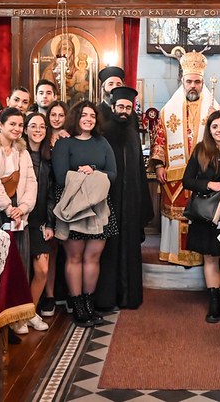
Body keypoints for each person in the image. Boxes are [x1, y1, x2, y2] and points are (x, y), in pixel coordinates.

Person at [0, 107, 41, 332]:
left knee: (19, 263)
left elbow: (31, 182)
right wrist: (8, 207)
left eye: (20, 125)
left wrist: (23, 207)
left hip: (18, 213)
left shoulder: (22, 151)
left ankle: (17, 317)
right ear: (0, 124)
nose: (17, 128)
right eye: (12, 124)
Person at [150, 51, 220, 266]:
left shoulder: (214, 110)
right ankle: (172, 253)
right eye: (189, 82)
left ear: (202, 83)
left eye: (197, 82)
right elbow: (159, 138)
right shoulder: (167, 111)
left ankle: (199, 256)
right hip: (175, 174)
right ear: (182, 81)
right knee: (176, 215)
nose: (193, 86)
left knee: (201, 213)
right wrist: (159, 165)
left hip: (203, 174)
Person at [52, 101, 118, 327]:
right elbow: (61, 177)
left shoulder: (102, 142)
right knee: (75, 257)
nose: (88, 119)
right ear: (75, 118)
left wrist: (94, 171)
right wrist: (90, 177)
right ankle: (77, 305)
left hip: (99, 206)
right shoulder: (64, 143)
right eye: (83, 115)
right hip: (74, 207)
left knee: (93, 256)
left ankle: (89, 303)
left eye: (92, 115)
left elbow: (113, 174)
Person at [96, 86, 152, 311]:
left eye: (128, 108)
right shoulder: (104, 133)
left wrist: (142, 202)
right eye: (121, 107)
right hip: (109, 200)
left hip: (130, 201)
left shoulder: (132, 132)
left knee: (129, 247)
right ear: (113, 107)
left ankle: (130, 296)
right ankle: (107, 298)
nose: (124, 111)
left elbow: (139, 168)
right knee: (109, 249)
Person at [183, 110, 220, 324]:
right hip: (205, 214)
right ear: (209, 129)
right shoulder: (201, 149)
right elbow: (187, 180)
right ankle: (213, 301)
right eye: (214, 126)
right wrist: (209, 184)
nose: (219, 130)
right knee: (209, 257)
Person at [25, 112, 58, 323]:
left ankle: (28, 314)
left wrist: (49, 223)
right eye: (33, 126)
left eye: (42, 127)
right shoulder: (19, 155)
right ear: (25, 129)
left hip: (39, 221)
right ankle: (20, 315)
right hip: (20, 219)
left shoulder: (49, 158)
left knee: (43, 269)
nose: (38, 130)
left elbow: (52, 193)